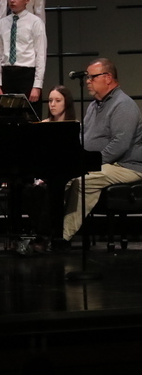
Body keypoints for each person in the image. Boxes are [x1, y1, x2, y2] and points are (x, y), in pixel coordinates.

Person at [56, 59, 142, 249]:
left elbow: (119, 145)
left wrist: (88, 164)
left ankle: (62, 237)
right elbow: (83, 136)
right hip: (105, 163)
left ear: (108, 78)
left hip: (128, 165)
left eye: (92, 77)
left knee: (82, 181)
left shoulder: (123, 105)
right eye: (87, 77)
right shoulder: (95, 105)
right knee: (60, 178)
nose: (87, 81)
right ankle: (46, 230)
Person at [0, 0, 46, 108]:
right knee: (8, 118)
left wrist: (37, 86)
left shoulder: (35, 22)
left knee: (29, 118)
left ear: (27, 0)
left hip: (26, 74)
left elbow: (41, 55)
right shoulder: (2, 23)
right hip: (7, 74)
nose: (12, 0)